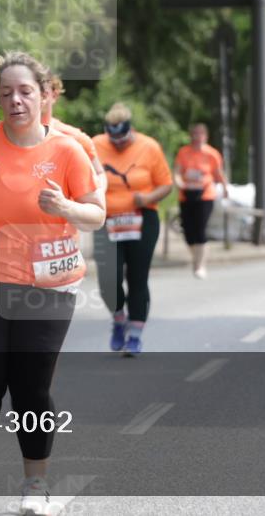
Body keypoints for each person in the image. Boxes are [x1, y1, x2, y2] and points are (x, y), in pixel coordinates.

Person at [0, 52, 103, 515]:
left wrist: (68, 210)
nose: (15, 100)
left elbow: (96, 212)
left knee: (31, 385)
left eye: (25, 91)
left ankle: (35, 485)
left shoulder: (68, 150)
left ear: (45, 94)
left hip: (48, 283)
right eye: (7, 92)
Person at [91, 103, 172, 355]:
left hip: (142, 220)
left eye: (123, 139)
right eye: (112, 139)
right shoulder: (94, 145)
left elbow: (166, 184)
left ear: (131, 130)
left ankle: (135, 335)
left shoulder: (149, 147)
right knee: (107, 279)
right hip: (108, 221)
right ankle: (118, 319)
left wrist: (146, 199)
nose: (117, 144)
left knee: (137, 278)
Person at [173, 123, 229, 279]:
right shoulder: (184, 152)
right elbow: (177, 171)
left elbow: (218, 173)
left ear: (205, 136)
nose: (197, 137)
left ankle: (200, 265)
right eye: (194, 134)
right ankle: (196, 257)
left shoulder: (211, 154)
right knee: (188, 231)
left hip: (205, 195)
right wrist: (178, 182)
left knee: (200, 229)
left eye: (200, 134)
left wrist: (225, 188)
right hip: (186, 194)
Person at [41, 74, 107, 191]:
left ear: (54, 94)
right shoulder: (11, 135)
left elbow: (99, 174)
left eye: (43, 91)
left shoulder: (74, 137)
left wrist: (94, 202)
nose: (39, 97)